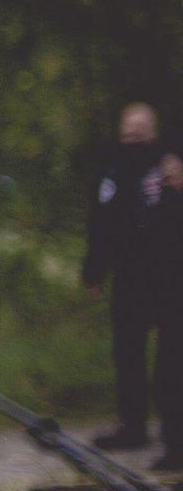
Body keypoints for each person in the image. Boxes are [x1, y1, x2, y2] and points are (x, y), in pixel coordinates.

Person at [84, 102, 183, 471]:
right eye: (128, 128)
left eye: (141, 128)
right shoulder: (113, 171)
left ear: (154, 131)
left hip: (171, 275)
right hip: (129, 278)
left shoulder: (171, 166)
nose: (134, 134)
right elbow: (101, 222)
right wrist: (94, 270)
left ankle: (176, 441)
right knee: (127, 353)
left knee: (172, 362)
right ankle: (133, 426)